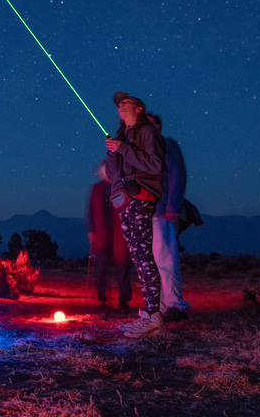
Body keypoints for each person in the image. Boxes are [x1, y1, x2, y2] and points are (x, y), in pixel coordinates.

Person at [105, 91, 165, 339]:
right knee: (137, 256)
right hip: (125, 199)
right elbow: (112, 173)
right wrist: (113, 152)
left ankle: (154, 316)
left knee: (143, 254)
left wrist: (125, 149)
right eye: (119, 103)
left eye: (126, 101)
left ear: (139, 108)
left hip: (142, 196)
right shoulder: (122, 136)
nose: (121, 104)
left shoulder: (147, 132)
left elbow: (155, 165)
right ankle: (148, 314)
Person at [147, 113, 191, 322]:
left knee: (166, 259)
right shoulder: (145, 149)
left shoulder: (166, 145)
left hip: (163, 211)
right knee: (153, 262)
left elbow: (177, 173)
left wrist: (172, 206)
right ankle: (160, 305)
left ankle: (174, 305)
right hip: (148, 213)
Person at [86, 161, 132, 312]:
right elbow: (91, 211)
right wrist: (92, 230)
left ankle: (124, 300)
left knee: (122, 268)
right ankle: (102, 298)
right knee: (101, 269)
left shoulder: (122, 186)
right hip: (102, 234)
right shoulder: (97, 189)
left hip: (119, 234)